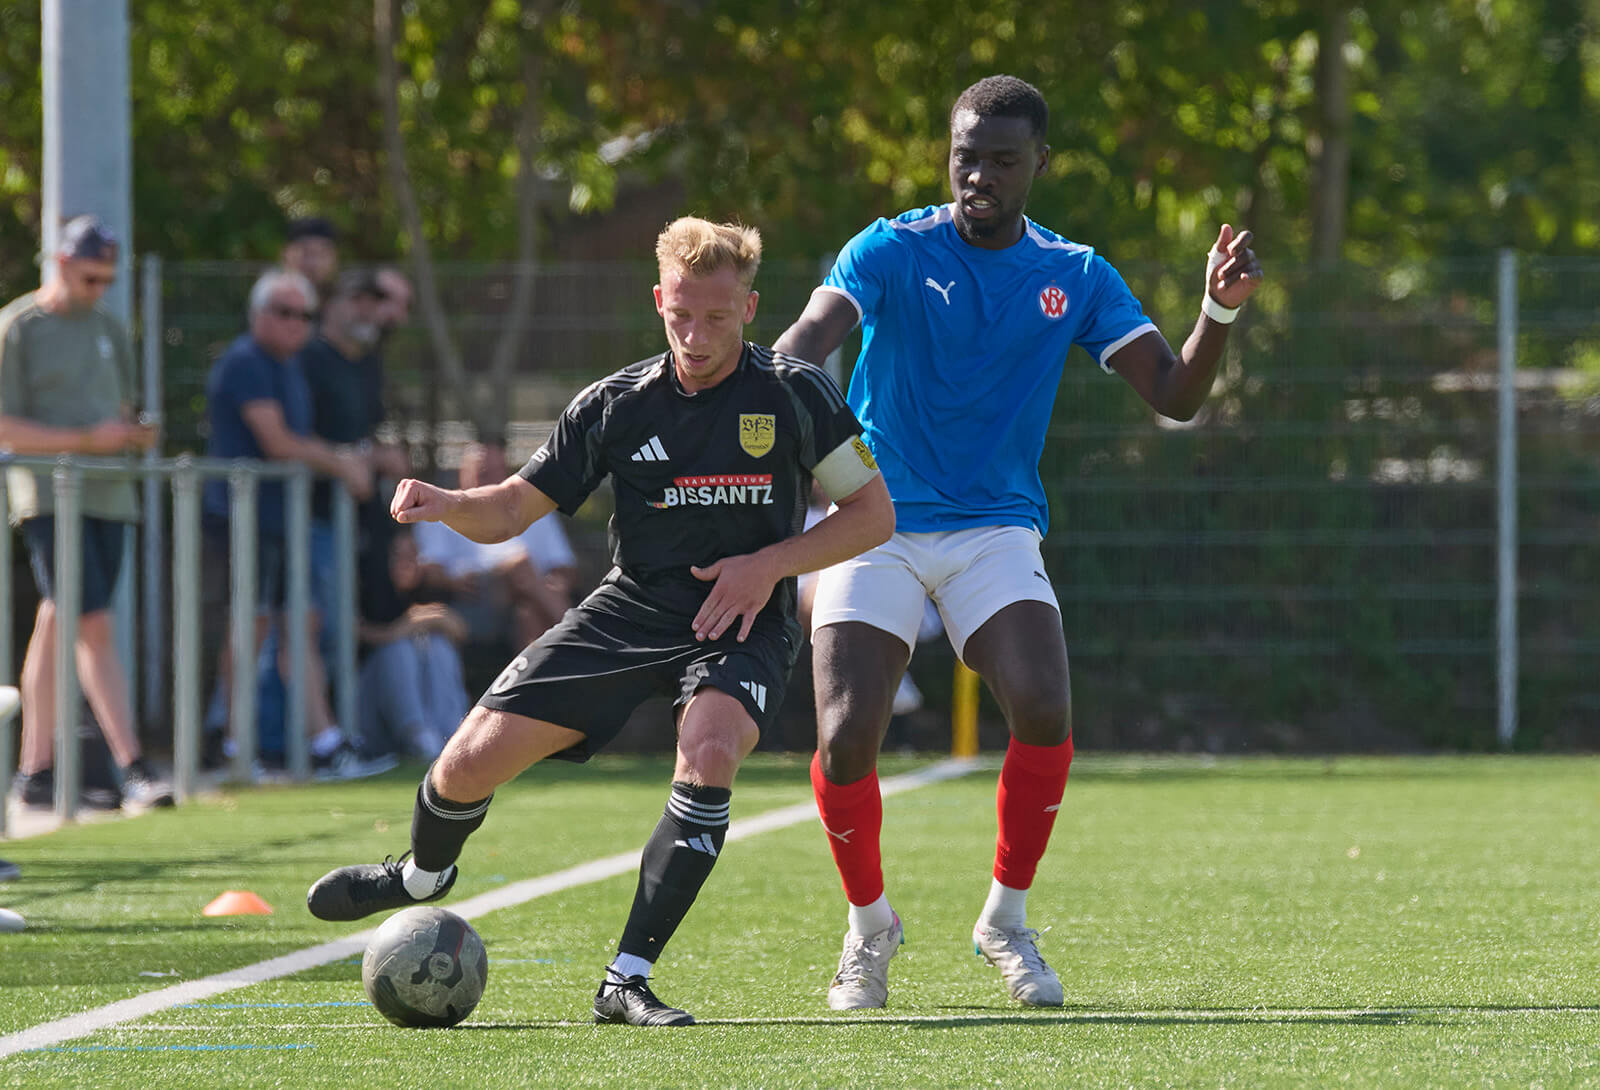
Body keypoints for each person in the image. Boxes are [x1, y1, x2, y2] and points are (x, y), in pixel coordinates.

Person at [306, 216, 894, 1027]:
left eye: (717, 317)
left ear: (750, 308)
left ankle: (626, 978)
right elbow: (514, 505)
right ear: (659, 299)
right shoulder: (617, 404)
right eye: (681, 313)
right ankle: (420, 878)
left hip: (741, 617)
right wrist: (447, 505)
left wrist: (769, 565)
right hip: (631, 609)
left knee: (711, 749)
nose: (696, 334)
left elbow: (872, 515)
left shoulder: (796, 393)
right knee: (463, 767)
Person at [774, 75, 1263, 1010]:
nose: (980, 176)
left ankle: (1005, 918)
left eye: (1003, 160)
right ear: (947, 156)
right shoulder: (889, 245)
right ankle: (869, 928)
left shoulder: (1074, 273)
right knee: (844, 737)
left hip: (995, 525)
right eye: (967, 157)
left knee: (1042, 704)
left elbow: (1174, 394)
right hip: (874, 519)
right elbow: (808, 337)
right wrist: (768, 388)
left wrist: (1219, 313)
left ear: (1039, 162)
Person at [0, 216, 171, 812]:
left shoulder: (107, 327)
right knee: (92, 623)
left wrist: (131, 434)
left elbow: (119, 410)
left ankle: (33, 772)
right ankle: (134, 766)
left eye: (107, 279)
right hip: (50, 498)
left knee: (58, 615)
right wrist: (86, 439)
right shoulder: (17, 327)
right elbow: (4, 426)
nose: (100, 288)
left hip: (111, 496)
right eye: (91, 277)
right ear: (62, 263)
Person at [200, 268, 385, 778]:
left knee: (299, 624)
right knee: (252, 627)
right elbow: (278, 443)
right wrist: (342, 462)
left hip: (282, 519)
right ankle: (235, 746)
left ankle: (325, 742)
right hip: (244, 519)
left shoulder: (289, 365)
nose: (294, 324)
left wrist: (351, 456)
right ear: (258, 314)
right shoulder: (245, 362)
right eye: (283, 312)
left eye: (303, 315)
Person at [413, 440, 580, 652]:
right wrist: (451, 581)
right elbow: (427, 571)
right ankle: (581, 641)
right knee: (521, 566)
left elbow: (565, 567)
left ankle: (531, 684)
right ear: (463, 473)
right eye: (482, 472)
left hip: (527, 596)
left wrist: (558, 582)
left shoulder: (534, 511)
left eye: (498, 472)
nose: (491, 480)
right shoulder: (442, 508)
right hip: (474, 596)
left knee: (528, 614)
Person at [355, 524, 470, 762]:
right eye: (399, 556)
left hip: (429, 710)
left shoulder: (426, 590)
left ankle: (451, 737)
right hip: (372, 713)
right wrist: (402, 628)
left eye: (414, 555)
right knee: (398, 650)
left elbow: (459, 630)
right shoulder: (366, 590)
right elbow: (354, 632)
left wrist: (431, 617)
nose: (408, 563)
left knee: (439, 646)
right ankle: (418, 736)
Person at [281, 217, 339, 303]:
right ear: (286, 254)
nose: (313, 264)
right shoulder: (273, 297)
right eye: (305, 254)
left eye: (322, 254)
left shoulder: (345, 300)